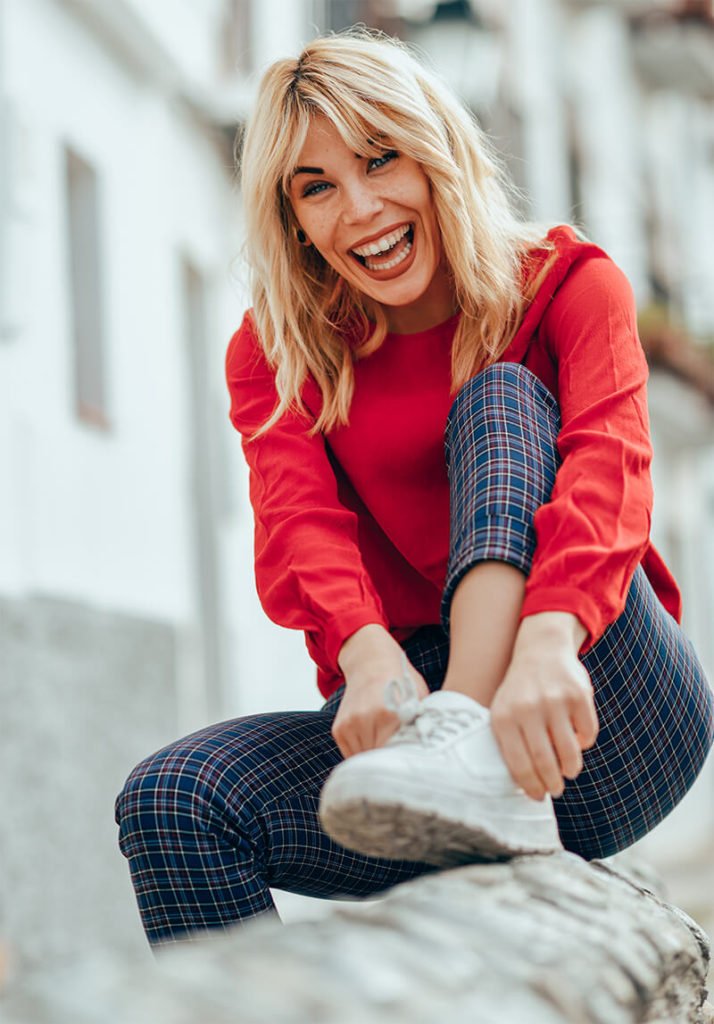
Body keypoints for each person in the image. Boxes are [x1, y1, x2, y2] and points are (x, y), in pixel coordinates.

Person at [115, 29, 714, 948]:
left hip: (598, 698)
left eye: (379, 159)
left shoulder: (565, 285)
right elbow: (298, 521)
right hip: (412, 733)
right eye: (316, 187)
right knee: (173, 800)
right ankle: (449, 748)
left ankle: (467, 732)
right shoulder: (276, 353)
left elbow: (610, 472)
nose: (358, 209)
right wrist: (362, 654)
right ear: (292, 219)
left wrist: (549, 641)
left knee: (502, 397)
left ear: (434, 148)